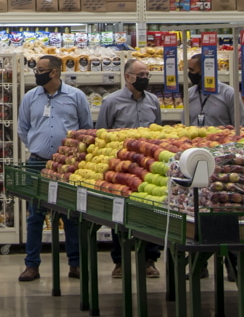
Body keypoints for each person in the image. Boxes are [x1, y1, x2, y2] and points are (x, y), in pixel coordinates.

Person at [18, 54, 92, 283]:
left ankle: (75, 263)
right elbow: (23, 128)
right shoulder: (30, 97)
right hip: (38, 162)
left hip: (67, 165)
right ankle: (31, 265)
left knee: (71, 215)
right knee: (35, 215)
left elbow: (85, 128)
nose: (36, 73)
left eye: (40, 70)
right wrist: (37, 146)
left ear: (54, 72)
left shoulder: (75, 96)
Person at [97, 58, 163, 279]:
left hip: (147, 167)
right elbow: (102, 134)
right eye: (140, 75)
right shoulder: (111, 102)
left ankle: (149, 261)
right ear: (127, 77)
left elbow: (158, 131)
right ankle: (120, 261)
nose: (144, 78)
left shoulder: (153, 101)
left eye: (146, 75)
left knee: (150, 212)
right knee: (119, 213)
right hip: (121, 168)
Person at [185, 53, 244, 282]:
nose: (189, 75)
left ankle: (233, 263)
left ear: (205, 71)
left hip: (223, 164)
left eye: (192, 71)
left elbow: (240, 127)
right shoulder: (190, 94)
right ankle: (199, 263)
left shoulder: (228, 94)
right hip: (197, 162)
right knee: (197, 211)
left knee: (225, 210)